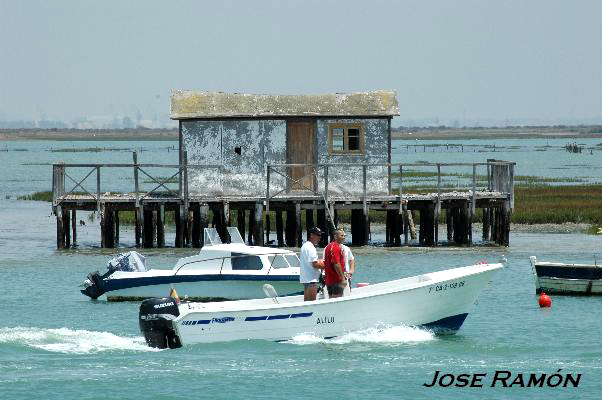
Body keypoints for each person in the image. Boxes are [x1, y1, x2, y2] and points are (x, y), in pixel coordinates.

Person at [299, 227, 325, 301]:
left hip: (306, 279)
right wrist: (328, 265)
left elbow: (310, 261)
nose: (319, 237)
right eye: (318, 235)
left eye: (320, 235)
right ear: (311, 235)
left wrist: (320, 261)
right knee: (311, 304)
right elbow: (315, 265)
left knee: (306, 303)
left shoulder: (305, 245)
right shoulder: (311, 247)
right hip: (312, 280)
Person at [323, 229, 347, 298]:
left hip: (329, 280)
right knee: (337, 300)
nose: (343, 237)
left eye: (344, 236)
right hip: (336, 280)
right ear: (335, 237)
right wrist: (342, 279)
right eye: (341, 235)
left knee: (332, 299)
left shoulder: (328, 247)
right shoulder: (335, 247)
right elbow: (336, 264)